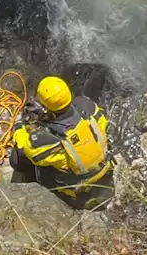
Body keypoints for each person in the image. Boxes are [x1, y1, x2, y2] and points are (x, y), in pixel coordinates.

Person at [9, 76, 115, 211]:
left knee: (17, 159)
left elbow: (25, 148)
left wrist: (19, 126)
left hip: (77, 193)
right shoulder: (87, 106)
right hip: (104, 175)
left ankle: (52, 193)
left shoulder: (48, 141)